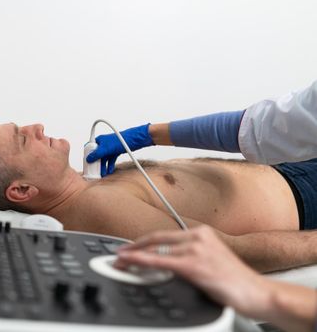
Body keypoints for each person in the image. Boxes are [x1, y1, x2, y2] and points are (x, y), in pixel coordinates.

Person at [85, 80, 317, 332]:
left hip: (298, 184)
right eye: (32, 142)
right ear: (32, 191)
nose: (37, 129)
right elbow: (262, 127)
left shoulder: (95, 194)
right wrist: (148, 134)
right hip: (298, 188)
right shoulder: (94, 203)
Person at [0, 121, 317, 274]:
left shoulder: (92, 186)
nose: (36, 127)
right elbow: (226, 254)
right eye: (22, 138)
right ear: (22, 191)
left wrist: (150, 133)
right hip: (305, 199)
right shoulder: (96, 206)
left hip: (295, 170)